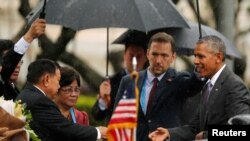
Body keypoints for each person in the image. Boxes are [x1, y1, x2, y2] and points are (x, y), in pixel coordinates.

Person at [148, 35, 250, 141]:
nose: (195, 61)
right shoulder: (208, 85)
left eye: (201, 56)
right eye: (195, 56)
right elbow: (195, 128)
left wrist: (207, 135)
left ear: (218, 58)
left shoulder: (234, 86)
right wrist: (169, 133)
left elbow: (241, 131)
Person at [114, 32, 204, 140]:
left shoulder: (179, 80)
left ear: (173, 57)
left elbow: (194, 85)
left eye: (164, 55)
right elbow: (118, 119)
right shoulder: (128, 81)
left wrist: (200, 67)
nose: (158, 61)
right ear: (148, 54)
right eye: (155, 54)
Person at [16, 59, 107, 141]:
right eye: (58, 81)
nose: (58, 86)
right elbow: (64, 128)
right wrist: (98, 132)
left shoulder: (26, 94)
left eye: (77, 89)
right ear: (47, 79)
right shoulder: (40, 101)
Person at [91, 30, 148, 124]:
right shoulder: (111, 82)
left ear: (146, 57)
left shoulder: (151, 81)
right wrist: (103, 100)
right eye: (131, 56)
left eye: (138, 56)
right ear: (124, 55)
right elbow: (97, 115)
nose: (134, 61)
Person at [0, 18, 46, 100]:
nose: (17, 65)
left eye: (19, 61)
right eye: (14, 61)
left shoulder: (14, 89)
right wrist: (29, 36)